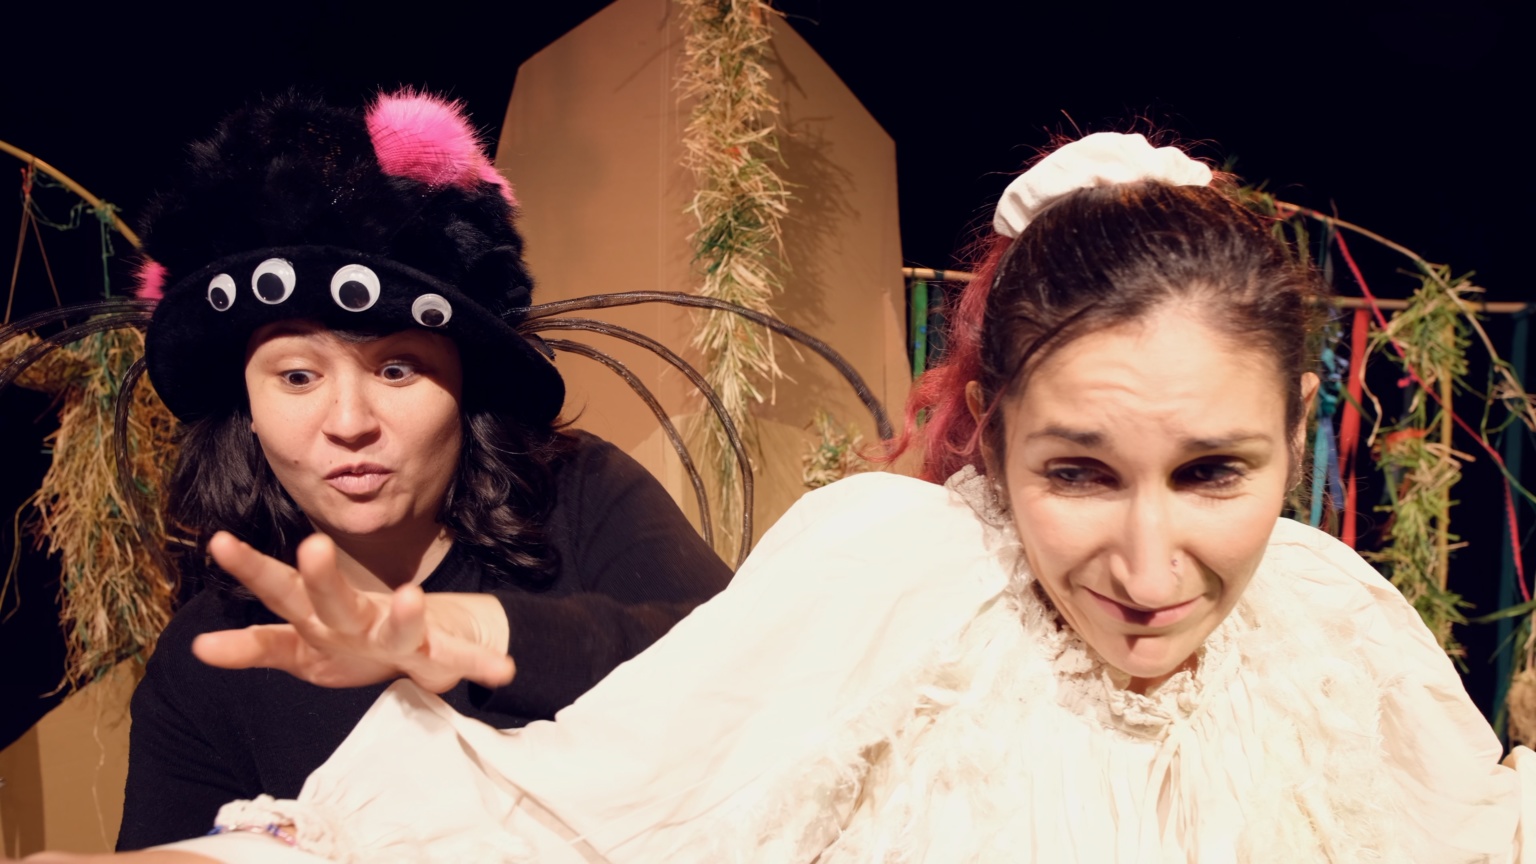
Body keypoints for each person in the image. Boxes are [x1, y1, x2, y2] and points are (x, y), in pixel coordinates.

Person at [31, 132, 1530, 862]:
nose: (1150, 565)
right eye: (1077, 472)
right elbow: (610, 800)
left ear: (1298, 432)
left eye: (1215, 471)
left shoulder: (1336, 616)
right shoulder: (895, 567)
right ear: (992, 433)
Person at [109, 90, 733, 849]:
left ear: (465, 382)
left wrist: (475, 630)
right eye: (297, 376)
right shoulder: (206, 661)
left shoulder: (580, 494)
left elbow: (748, 667)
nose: (349, 422)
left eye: (397, 369)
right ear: (246, 406)